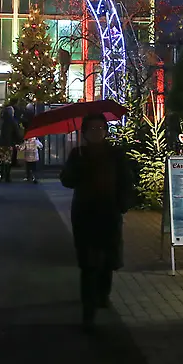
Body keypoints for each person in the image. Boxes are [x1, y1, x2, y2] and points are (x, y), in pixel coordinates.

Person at [60, 114, 135, 332]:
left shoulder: (115, 154)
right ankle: (88, 307)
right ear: (83, 132)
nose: (96, 132)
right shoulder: (78, 154)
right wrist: (76, 169)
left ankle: (103, 294)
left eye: (100, 128)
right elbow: (67, 180)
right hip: (84, 213)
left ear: (106, 131)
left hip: (109, 212)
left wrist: (123, 204)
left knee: (107, 257)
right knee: (87, 262)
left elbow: (126, 181)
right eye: (91, 129)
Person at [0, 105, 22, 183]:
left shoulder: (0, 121)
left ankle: (0, 175)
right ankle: (7, 176)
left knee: (1, 158)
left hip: (0, 143)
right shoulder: (13, 121)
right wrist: (19, 141)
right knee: (8, 159)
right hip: (9, 142)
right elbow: (17, 133)